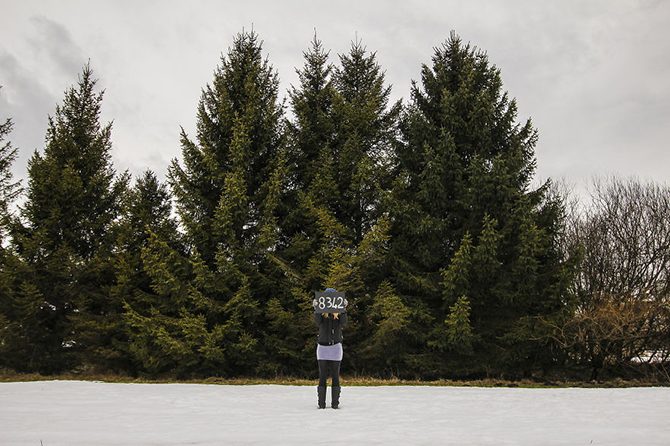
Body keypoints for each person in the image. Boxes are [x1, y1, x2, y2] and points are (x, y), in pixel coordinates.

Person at [313, 287, 348, 409]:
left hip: (336, 347)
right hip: (322, 347)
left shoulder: (338, 313)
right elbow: (317, 322)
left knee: (335, 376)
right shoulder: (322, 313)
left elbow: (344, 323)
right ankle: (321, 404)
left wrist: (343, 309)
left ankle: (335, 404)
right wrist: (316, 308)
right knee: (322, 376)